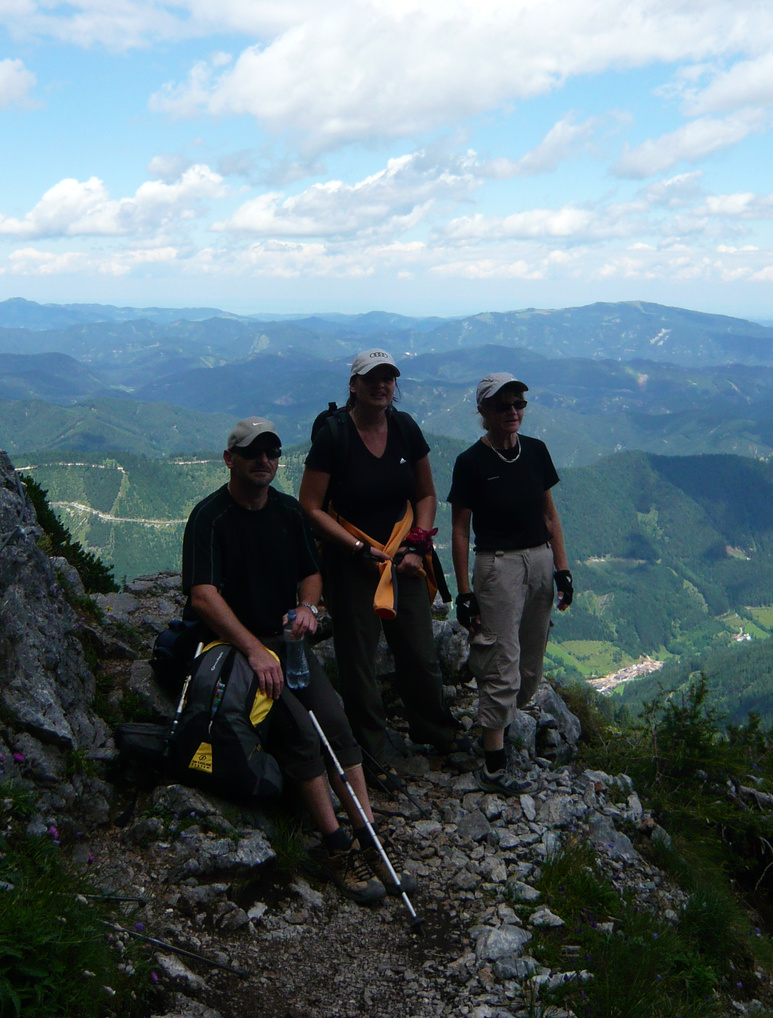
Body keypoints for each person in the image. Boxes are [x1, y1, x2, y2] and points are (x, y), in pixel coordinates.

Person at [182, 416, 402, 903]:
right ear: (230, 459)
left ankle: (368, 833)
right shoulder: (210, 517)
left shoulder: (286, 512)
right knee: (302, 735)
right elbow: (202, 597)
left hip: (287, 644)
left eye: (273, 453)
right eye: (254, 452)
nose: (265, 461)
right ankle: (336, 843)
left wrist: (306, 607)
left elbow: (312, 573)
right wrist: (255, 649)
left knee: (336, 724)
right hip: (240, 651)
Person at [299, 350, 465, 789]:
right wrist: (355, 547)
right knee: (358, 662)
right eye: (372, 378)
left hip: (403, 558)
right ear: (353, 385)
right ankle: (371, 754)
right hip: (351, 560)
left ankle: (436, 731)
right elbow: (310, 506)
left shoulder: (405, 428)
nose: (382, 385)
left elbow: (427, 496)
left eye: (389, 378)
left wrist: (418, 544)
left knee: (419, 652)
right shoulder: (335, 436)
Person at [447, 374, 574, 795]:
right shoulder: (470, 463)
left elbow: (550, 516)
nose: (514, 412)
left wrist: (562, 569)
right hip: (497, 565)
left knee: (530, 660)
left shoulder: (536, 452)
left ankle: (496, 727)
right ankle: (495, 764)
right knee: (501, 659)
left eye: (519, 404)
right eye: (503, 406)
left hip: (538, 559)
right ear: (483, 412)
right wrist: (465, 593)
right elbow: (461, 531)